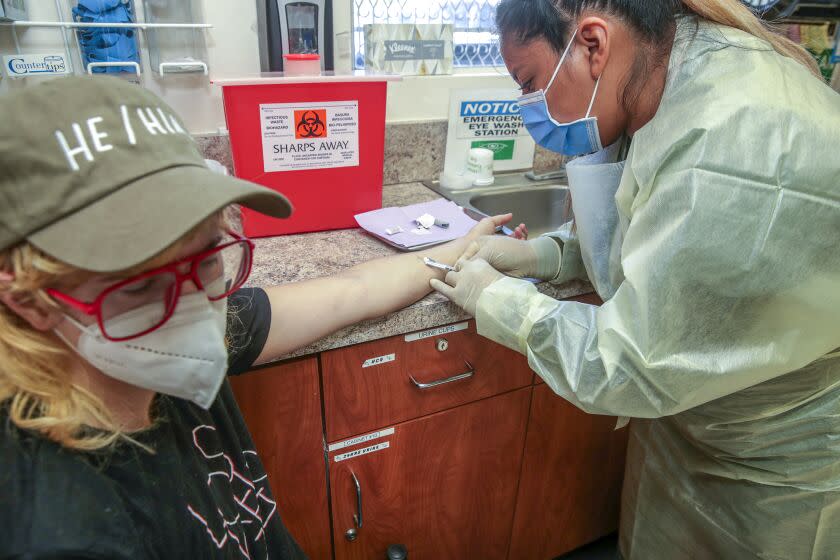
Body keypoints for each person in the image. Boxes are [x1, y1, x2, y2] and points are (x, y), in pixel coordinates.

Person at [0, 76, 510, 559]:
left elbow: (348, 291)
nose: (196, 307)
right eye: (140, 283)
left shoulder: (165, 335)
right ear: (29, 298)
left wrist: (463, 245)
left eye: (206, 256)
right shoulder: (64, 530)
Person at [431, 0, 840, 558]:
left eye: (529, 84)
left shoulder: (731, 134)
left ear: (593, 45)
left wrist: (497, 299)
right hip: (688, 418)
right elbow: (653, 232)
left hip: (773, 462)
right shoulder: (665, 78)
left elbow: (627, 364)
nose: (530, 107)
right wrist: (545, 257)